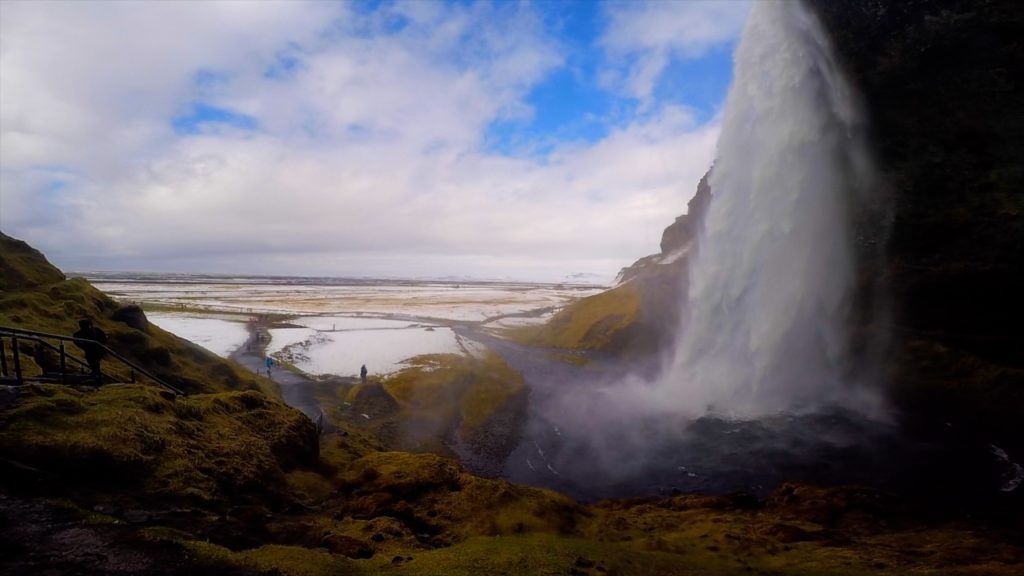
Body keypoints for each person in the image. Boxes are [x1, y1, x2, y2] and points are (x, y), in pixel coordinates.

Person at [73, 318, 107, 384]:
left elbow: (103, 338)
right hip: (92, 350)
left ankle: (96, 376)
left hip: (97, 350)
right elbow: (77, 341)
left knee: (94, 361)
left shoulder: (96, 331)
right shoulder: (81, 333)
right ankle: (96, 376)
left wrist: (99, 344)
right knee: (93, 362)